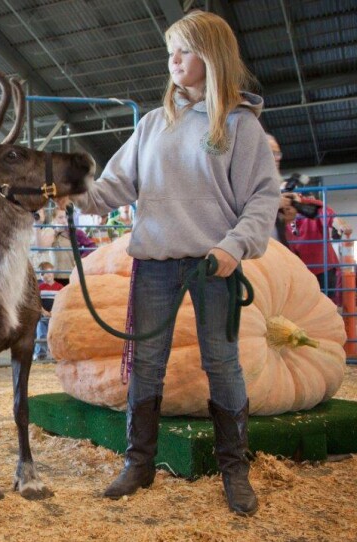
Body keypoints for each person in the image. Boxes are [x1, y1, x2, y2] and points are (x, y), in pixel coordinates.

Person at [71, 11, 279, 516]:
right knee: (145, 364)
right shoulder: (152, 124)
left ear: (212, 56)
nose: (174, 60)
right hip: (157, 264)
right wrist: (75, 191)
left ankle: (234, 468)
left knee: (221, 363)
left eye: (184, 50)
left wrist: (234, 247)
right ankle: (139, 463)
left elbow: (261, 198)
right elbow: (113, 188)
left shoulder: (238, 124)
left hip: (214, 265)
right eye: (172, 51)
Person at [37, 204, 96, 286]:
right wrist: (39, 224)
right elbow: (41, 249)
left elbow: (91, 246)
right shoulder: (50, 232)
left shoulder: (75, 232)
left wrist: (81, 258)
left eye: (65, 217)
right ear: (53, 220)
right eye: (60, 217)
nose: (64, 220)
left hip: (73, 276)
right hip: (56, 277)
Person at [33, 262, 63, 361]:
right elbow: (37, 301)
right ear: (41, 276)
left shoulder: (59, 287)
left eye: (49, 272)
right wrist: (43, 311)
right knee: (41, 333)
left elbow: (62, 301)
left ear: (53, 273)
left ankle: (56, 353)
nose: (47, 275)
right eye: (43, 273)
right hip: (43, 315)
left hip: (55, 315)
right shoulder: (40, 288)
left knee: (56, 334)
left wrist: (55, 312)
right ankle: (41, 354)